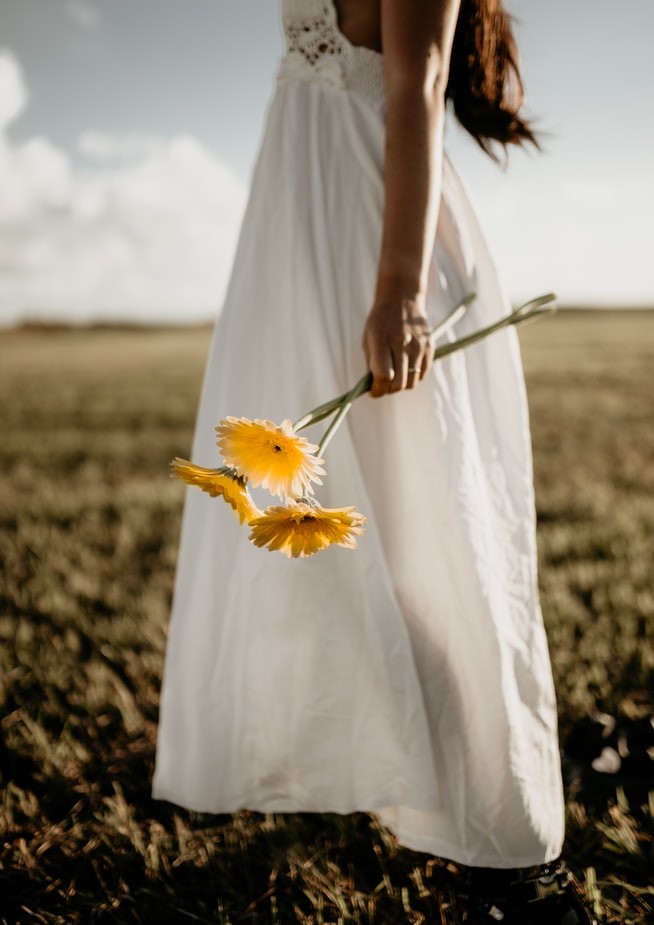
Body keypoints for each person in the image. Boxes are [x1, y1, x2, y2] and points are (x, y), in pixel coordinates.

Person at [153, 1, 598, 922]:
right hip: (298, 226)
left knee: (427, 545)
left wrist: (397, 290)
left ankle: (514, 860)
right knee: (329, 538)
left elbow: (417, 83)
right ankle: (395, 766)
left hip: (369, 232)